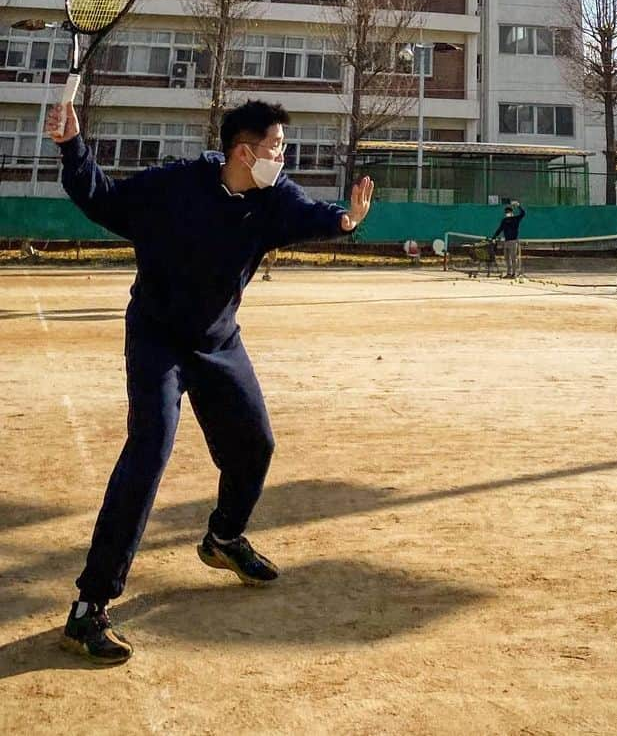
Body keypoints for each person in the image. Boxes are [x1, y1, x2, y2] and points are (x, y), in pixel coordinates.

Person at [49, 98, 375, 666]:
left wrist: (344, 220)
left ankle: (223, 538)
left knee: (255, 445)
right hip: (157, 340)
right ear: (244, 152)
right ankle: (89, 607)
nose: (284, 157)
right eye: (276, 147)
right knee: (149, 451)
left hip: (218, 341)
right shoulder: (174, 186)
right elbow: (101, 198)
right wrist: (72, 146)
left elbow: (312, 216)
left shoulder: (273, 200)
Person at [491, 200, 525, 279]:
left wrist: (518, 206)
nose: (507, 213)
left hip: (513, 241)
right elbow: (500, 229)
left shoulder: (515, 219)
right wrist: (494, 237)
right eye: (506, 212)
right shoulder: (504, 220)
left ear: (512, 212)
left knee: (513, 258)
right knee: (507, 258)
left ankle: (514, 273)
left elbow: (523, 214)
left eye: (508, 212)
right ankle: (508, 273)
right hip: (506, 241)